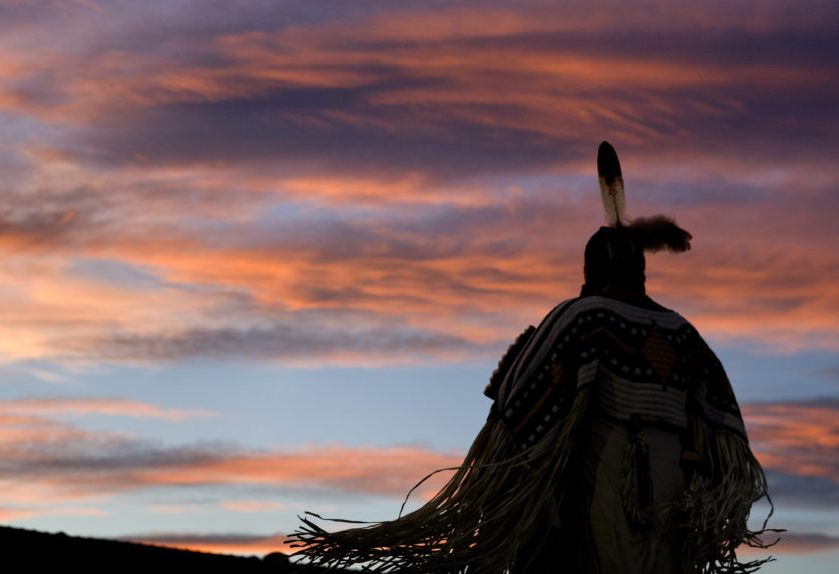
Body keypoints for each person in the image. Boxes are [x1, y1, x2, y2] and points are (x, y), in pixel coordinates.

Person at [290, 142, 775, 573]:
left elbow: (523, 405)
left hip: (605, 470)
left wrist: (509, 487)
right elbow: (724, 425)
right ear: (641, 267)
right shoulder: (684, 333)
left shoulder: (581, 318)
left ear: (591, 269)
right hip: (675, 485)